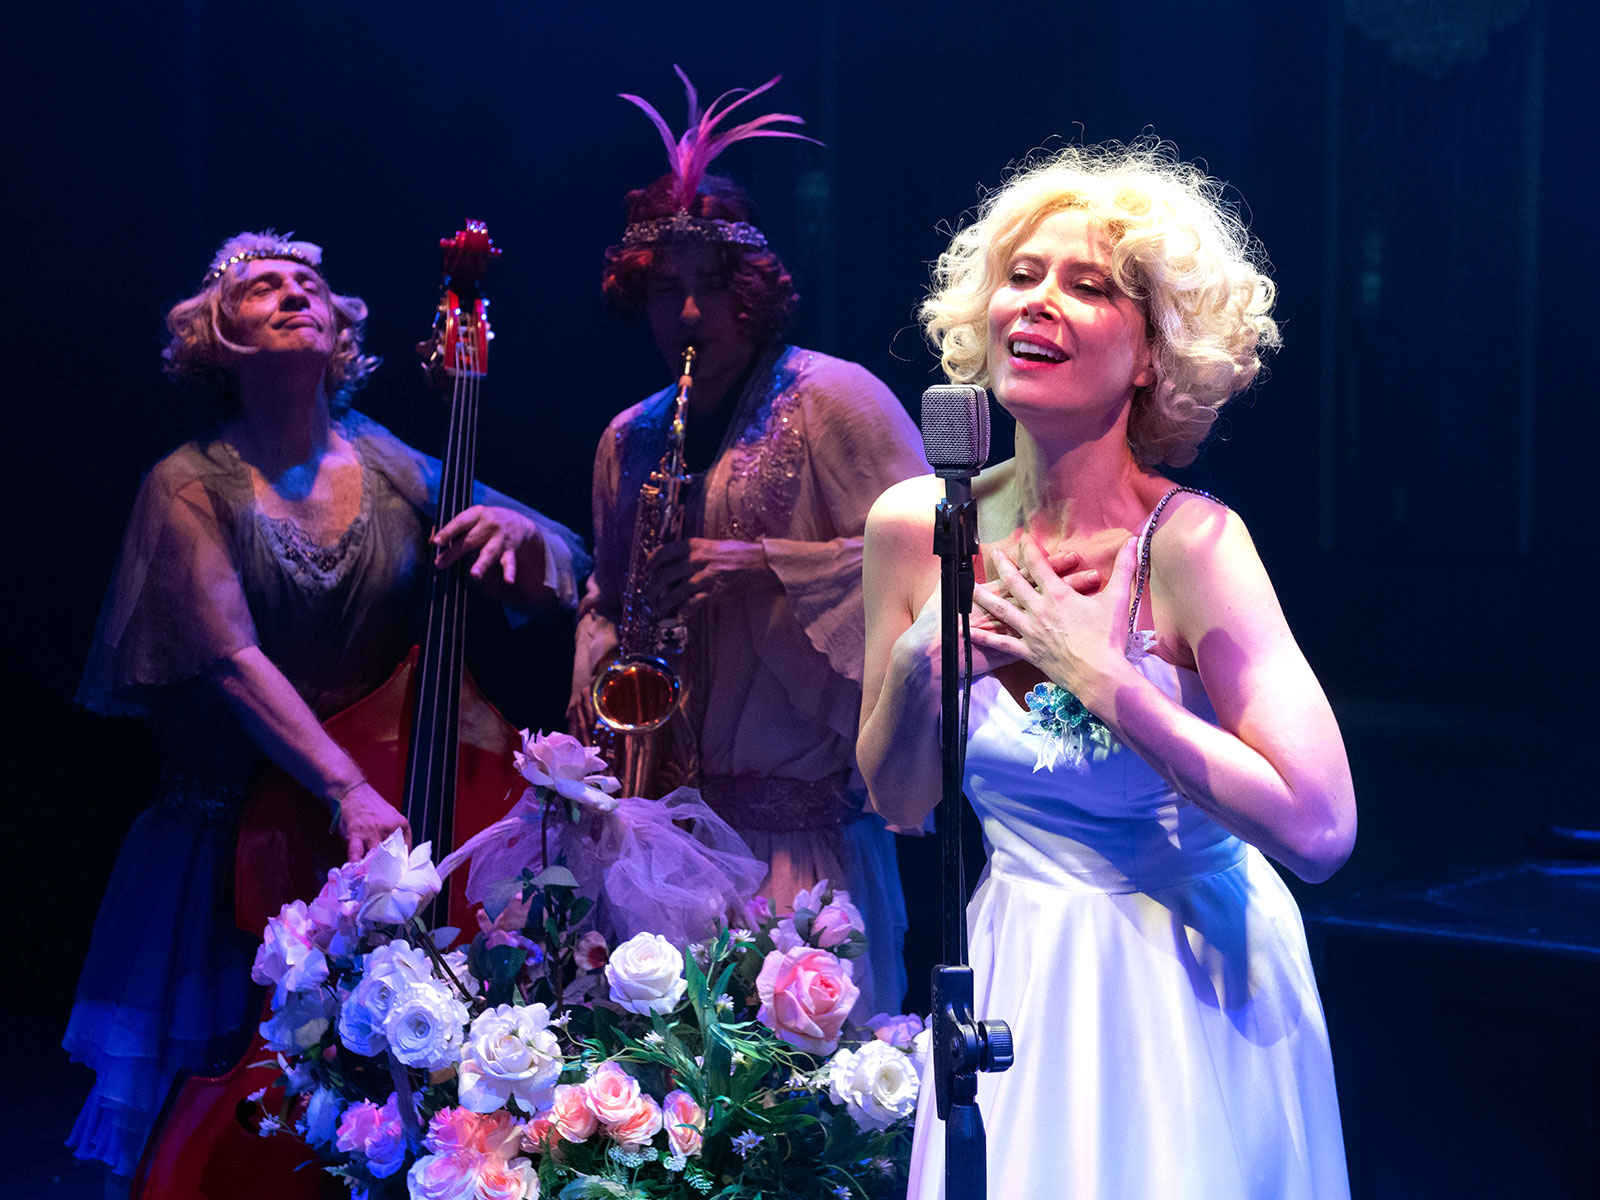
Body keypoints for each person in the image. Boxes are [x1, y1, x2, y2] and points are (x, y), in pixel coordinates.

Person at [858, 143, 1355, 1198]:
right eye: (1022, 275)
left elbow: (1319, 831)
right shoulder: (914, 525)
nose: (1038, 302)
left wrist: (1107, 684)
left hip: (1188, 981)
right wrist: (917, 662)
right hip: (1017, 965)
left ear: (1152, 356)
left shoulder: (1195, 545)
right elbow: (900, 803)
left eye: (1087, 287)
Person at [65, 231, 587, 1186]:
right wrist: (342, 786)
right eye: (264, 286)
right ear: (217, 336)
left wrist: (516, 531)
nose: (296, 294)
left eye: (310, 283)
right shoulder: (188, 482)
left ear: (342, 327)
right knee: (233, 1073)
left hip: (377, 815)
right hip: (238, 825)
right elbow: (230, 658)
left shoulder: (385, 458)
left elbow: (558, 560)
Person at [570, 72, 928, 1018]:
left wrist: (768, 565)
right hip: (661, 840)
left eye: (712, 289)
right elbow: (606, 601)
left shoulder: (835, 397)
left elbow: (938, 567)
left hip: (797, 843)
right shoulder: (628, 436)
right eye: (665, 291)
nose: (688, 316)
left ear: (754, 295)